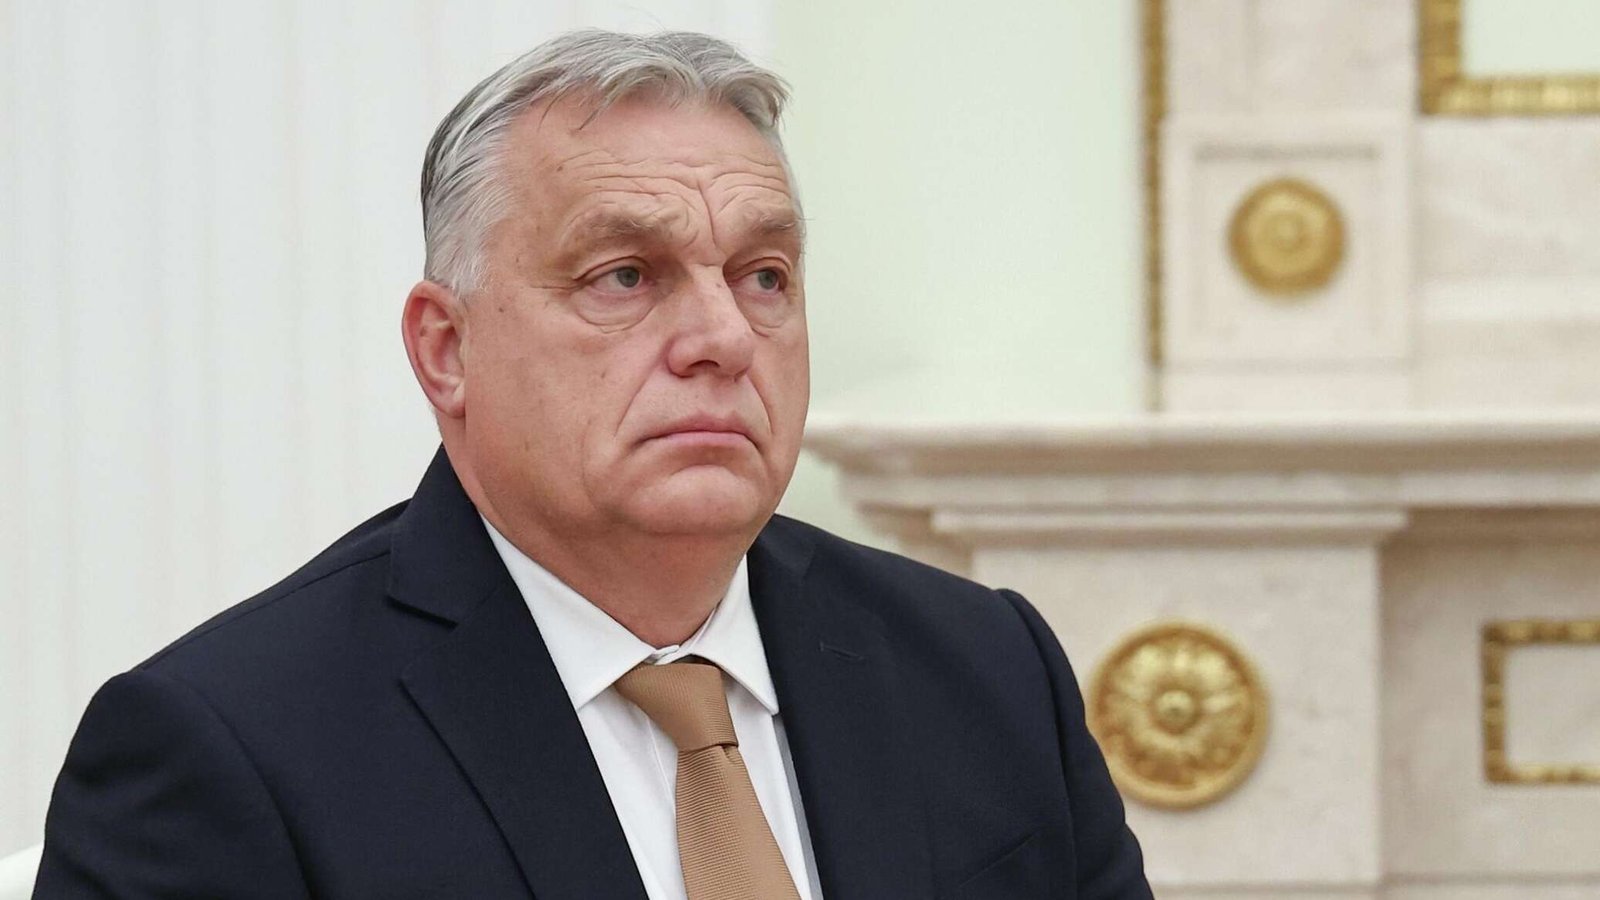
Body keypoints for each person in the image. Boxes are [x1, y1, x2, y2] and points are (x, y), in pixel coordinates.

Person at [33, 30, 1151, 899]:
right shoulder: (227, 750)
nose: (723, 337)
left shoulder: (985, 668)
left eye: (764, 275)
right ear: (446, 349)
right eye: (625, 275)